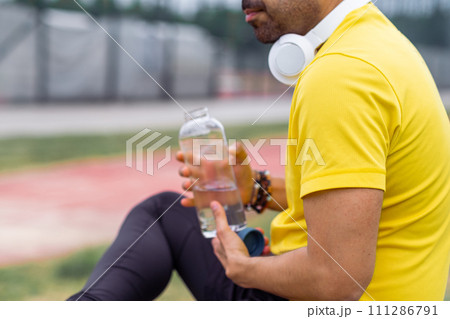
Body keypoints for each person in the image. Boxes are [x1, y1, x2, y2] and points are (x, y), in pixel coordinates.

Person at [68, 0, 450, 301]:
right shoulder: (382, 45)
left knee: (158, 213)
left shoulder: (339, 76)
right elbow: (365, 202)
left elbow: (337, 279)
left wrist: (242, 268)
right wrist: (255, 189)